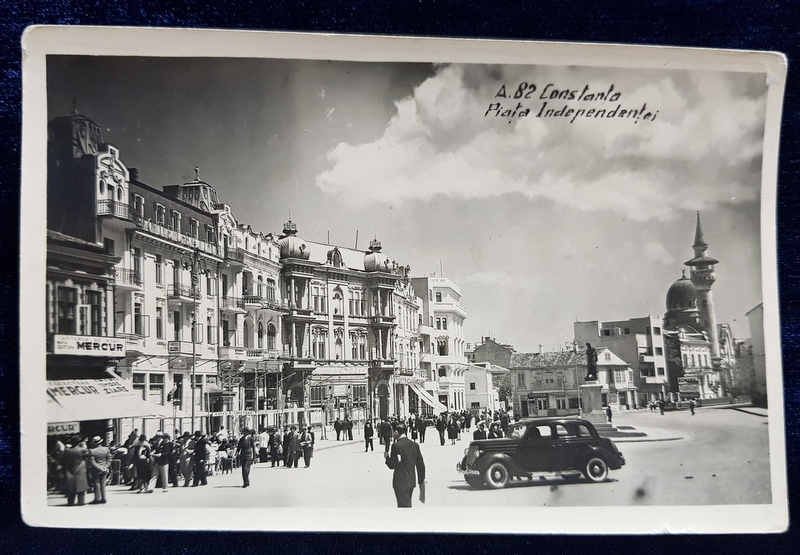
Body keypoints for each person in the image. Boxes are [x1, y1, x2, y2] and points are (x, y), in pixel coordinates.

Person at [384, 423, 426, 508]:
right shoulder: (414, 445)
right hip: (411, 481)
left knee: (403, 507)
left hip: (400, 482)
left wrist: (387, 457)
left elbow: (392, 465)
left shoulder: (396, 446)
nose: (392, 434)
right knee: (407, 504)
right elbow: (420, 465)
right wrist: (421, 481)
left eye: (393, 432)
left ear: (396, 432)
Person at [60, 435, 90, 506]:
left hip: (69, 470)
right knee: (81, 488)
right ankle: (81, 502)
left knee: (70, 489)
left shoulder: (67, 451)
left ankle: (70, 502)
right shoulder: (82, 450)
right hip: (80, 470)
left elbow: (63, 460)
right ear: (79, 442)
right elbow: (89, 455)